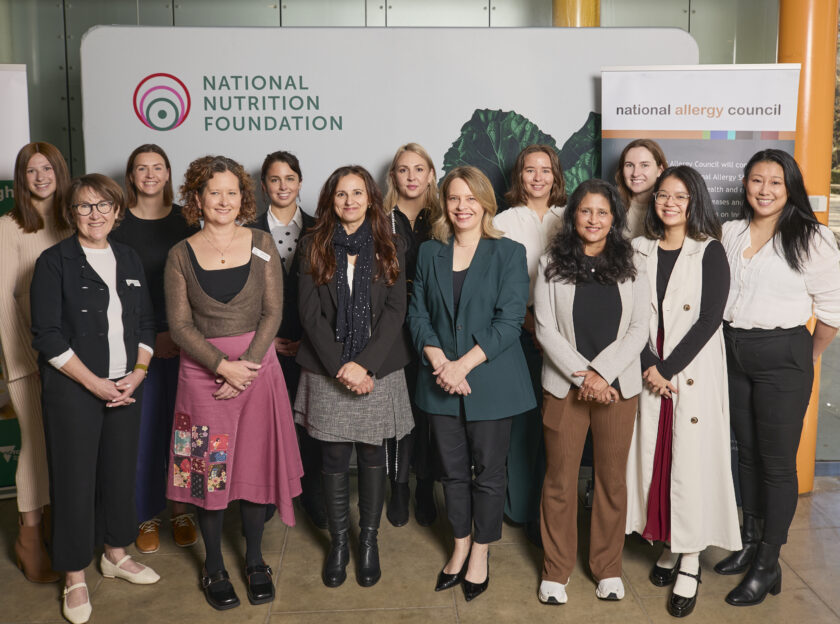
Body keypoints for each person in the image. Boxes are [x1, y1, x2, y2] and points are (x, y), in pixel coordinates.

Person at [164, 155, 302, 610]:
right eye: (213, 192)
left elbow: (273, 312)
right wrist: (224, 366)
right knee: (209, 472)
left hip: (259, 371)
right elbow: (180, 327)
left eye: (231, 192)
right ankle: (214, 567)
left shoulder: (262, 243)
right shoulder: (179, 255)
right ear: (197, 198)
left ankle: (256, 560)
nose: (223, 200)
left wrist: (249, 364)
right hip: (203, 375)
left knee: (255, 467)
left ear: (243, 197)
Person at [30, 174, 160, 624]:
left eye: (104, 206)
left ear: (118, 212)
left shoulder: (128, 257)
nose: (95, 215)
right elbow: (46, 335)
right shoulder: (54, 261)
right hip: (74, 391)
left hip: (126, 386)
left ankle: (115, 554)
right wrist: (95, 383)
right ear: (71, 214)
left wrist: (137, 375)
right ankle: (74, 576)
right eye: (84, 207)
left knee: (119, 473)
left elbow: (145, 323)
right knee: (74, 481)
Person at [717, 149, 840, 606]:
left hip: (784, 353)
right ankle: (749, 543)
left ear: (789, 187)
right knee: (745, 455)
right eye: (756, 181)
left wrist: (804, 356)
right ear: (745, 184)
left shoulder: (812, 236)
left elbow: (831, 312)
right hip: (733, 349)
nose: (764, 190)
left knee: (776, 463)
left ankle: (768, 565)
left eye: (774, 182)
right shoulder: (730, 232)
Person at [407, 165, 534, 602]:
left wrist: (462, 366)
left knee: (490, 473)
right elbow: (417, 314)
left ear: (485, 203)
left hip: (491, 382)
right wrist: (441, 361)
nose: (462, 207)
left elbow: (510, 322)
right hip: (439, 379)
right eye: (454, 198)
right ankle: (459, 544)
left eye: (470, 198)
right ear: (444, 203)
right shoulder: (429, 252)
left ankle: (481, 550)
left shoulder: (509, 253)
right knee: (452, 471)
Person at [625, 166, 741, 618]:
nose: (669, 203)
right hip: (651, 372)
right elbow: (630, 314)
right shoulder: (640, 249)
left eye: (680, 196)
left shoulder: (709, 251)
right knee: (657, 463)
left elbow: (710, 319)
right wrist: (649, 366)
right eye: (662, 196)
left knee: (690, 462)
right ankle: (670, 544)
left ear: (695, 202)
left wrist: (666, 367)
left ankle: (690, 559)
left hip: (690, 375)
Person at [295, 165, 414, 588]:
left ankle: (369, 540)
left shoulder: (390, 243)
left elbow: (396, 311)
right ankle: (340, 542)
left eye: (357, 193)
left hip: (378, 367)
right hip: (329, 369)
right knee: (331, 458)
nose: (349, 201)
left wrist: (365, 364)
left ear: (370, 199)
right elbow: (308, 314)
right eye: (341, 194)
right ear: (331, 200)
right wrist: (341, 367)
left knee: (370, 455)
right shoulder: (313, 244)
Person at [533, 178, 649, 605]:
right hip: (566, 387)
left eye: (603, 212)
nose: (594, 219)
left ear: (615, 218)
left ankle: (607, 568)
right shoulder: (551, 261)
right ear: (573, 216)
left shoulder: (634, 259)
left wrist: (602, 375)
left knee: (611, 481)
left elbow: (640, 328)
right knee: (560, 481)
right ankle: (556, 571)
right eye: (585, 211)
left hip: (619, 388)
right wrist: (585, 379)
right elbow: (545, 329)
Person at [110, 144, 198, 554]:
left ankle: (181, 509)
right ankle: (146, 513)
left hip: (184, 343)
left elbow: (197, 287)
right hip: (134, 347)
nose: (149, 174)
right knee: (143, 435)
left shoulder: (187, 221)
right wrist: (148, 340)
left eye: (157, 167)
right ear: (130, 176)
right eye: (141, 168)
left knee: (183, 431)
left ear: (168, 173)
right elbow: (114, 294)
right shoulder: (116, 223)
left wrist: (177, 335)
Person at [0, 142, 70, 585]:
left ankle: (56, 526)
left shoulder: (73, 221)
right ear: (21, 180)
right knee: (35, 444)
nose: (41, 177)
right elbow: (4, 302)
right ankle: (28, 534)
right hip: (29, 358)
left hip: (74, 360)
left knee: (65, 447)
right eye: (31, 170)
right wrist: (23, 362)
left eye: (48, 168)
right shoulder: (7, 228)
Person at [493, 144, 567, 540]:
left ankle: (547, 508)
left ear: (555, 175)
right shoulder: (503, 221)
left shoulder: (571, 217)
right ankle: (519, 507)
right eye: (529, 170)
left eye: (545, 170)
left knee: (556, 426)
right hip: (519, 333)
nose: (538, 177)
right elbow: (499, 286)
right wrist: (529, 324)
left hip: (565, 338)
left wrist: (552, 332)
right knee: (523, 425)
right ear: (519, 176)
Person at [250, 150, 322, 528]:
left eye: (289, 178)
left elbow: (331, 297)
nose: (282, 186)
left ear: (299, 182)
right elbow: (242, 295)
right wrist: (267, 339)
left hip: (311, 345)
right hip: (264, 345)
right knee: (266, 424)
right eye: (274, 179)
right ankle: (265, 497)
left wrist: (308, 342)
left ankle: (310, 495)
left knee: (309, 423)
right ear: (264, 186)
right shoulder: (246, 231)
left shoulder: (320, 228)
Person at [382, 142, 440, 528]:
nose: (412, 177)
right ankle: (398, 485)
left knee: (432, 412)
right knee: (398, 411)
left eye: (419, 169)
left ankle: (425, 485)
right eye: (404, 170)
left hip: (435, 327)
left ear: (431, 175)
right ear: (393, 177)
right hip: (393, 329)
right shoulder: (381, 221)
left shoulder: (445, 216)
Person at [614, 139, 667, 238]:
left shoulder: (671, 209)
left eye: (644, 165)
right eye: (629, 165)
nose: (635, 173)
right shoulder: (611, 206)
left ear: (660, 170)